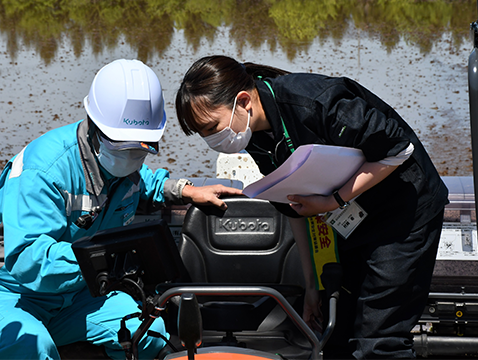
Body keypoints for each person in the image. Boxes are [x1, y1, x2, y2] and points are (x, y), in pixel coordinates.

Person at [0, 58, 243, 360]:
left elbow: (138, 180)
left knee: (149, 334)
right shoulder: (44, 169)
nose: (132, 156)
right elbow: (28, 259)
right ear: (94, 127)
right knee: (29, 345)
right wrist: (105, 258)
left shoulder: (122, 167)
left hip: (75, 298)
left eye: (142, 147)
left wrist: (183, 190)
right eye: (123, 146)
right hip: (6, 293)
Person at [174, 55, 448, 360]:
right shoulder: (253, 135)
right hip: (354, 221)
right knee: (337, 336)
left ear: (243, 101)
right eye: (203, 134)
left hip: (403, 212)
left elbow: (397, 149)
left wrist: (334, 200)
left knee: (379, 342)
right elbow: (292, 204)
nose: (212, 140)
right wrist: (310, 285)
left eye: (212, 127)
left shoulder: (313, 101)